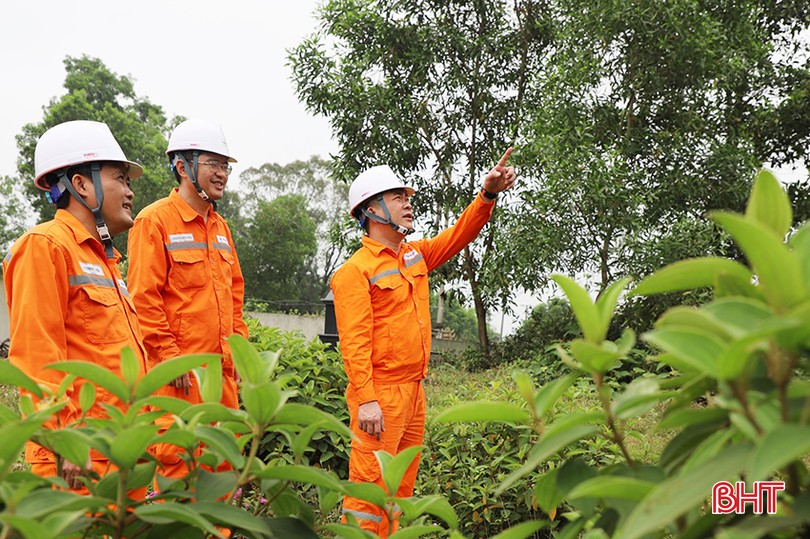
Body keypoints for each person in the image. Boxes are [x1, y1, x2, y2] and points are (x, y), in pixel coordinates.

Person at [331, 149, 517, 536]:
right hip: (380, 397)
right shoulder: (354, 272)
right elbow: (354, 342)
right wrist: (367, 399)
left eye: (407, 197)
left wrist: (487, 195)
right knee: (369, 491)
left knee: (399, 490)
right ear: (371, 209)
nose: (408, 203)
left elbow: (459, 235)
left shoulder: (414, 256)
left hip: (414, 393)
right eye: (397, 197)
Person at [3, 120, 148, 494]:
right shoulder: (45, 246)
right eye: (121, 178)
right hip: (77, 460)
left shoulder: (107, 262)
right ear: (81, 184)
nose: (130, 191)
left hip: (120, 453)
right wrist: (63, 439)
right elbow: (36, 355)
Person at [126, 118, 248, 483]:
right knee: (178, 468)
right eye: (213, 163)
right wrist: (169, 359)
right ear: (182, 167)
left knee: (223, 472)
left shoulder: (221, 228)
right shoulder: (154, 221)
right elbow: (143, 298)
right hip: (179, 379)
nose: (222, 173)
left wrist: (240, 358)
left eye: (225, 165)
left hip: (221, 378)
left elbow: (235, 297)